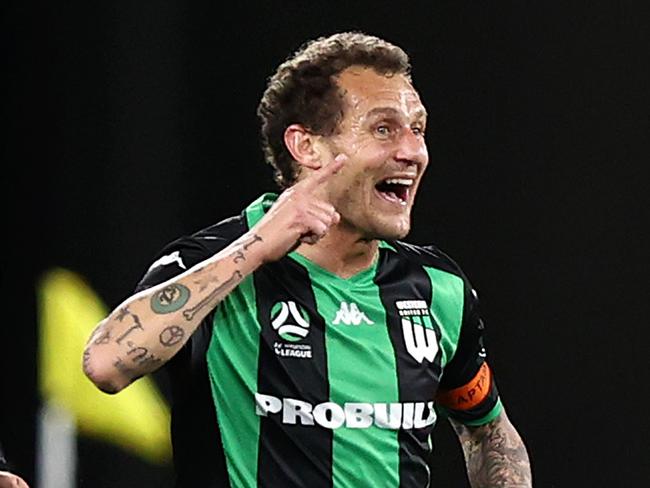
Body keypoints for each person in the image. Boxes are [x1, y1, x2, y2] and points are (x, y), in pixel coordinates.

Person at [83, 31, 532, 487]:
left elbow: (487, 429)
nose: (412, 151)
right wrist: (255, 249)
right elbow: (106, 363)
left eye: (417, 129)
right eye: (383, 128)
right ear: (307, 147)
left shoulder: (437, 288)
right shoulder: (217, 262)